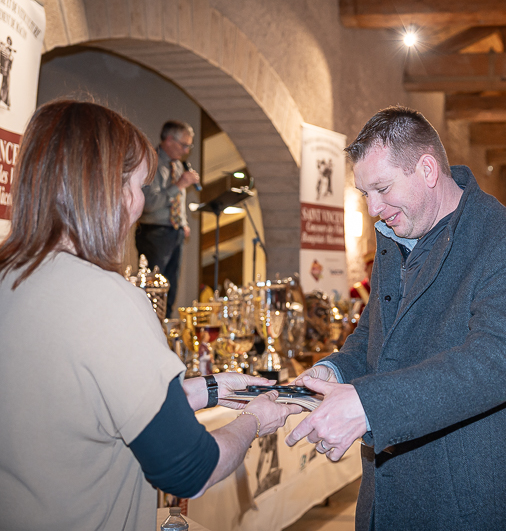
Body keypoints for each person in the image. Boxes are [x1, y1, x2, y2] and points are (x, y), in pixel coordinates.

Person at [0, 100, 302, 530]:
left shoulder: (11, 277)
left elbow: (82, 407)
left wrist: (209, 389)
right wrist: (255, 420)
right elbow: (191, 470)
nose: (141, 204)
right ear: (112, 192)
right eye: (140, 187)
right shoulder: (109, 300)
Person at [284, 106, 506, 530]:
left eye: (382, 188)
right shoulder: (396, 237)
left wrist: (369, 406)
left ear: (427, 169)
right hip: (388, 495)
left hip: (467, 502)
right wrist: (334, 371)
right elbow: (373, 336)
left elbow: (497, 363)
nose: (373, 208)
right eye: (364, 193)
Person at [135, 120, 201, 318]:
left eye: (189, 146)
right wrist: (179, 184)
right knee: (153, 290)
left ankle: (165, 330)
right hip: (154, 233)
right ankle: (149, 328)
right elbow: (149, 203)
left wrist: (183, 223)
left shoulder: (177, 165)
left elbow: (178, 200)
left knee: (170, 289)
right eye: (184, 145)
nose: (186, 151)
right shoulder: (151, 163)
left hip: (175, 231)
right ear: (169, 140)